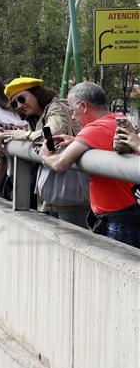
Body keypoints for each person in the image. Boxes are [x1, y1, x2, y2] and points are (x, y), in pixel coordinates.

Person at [43, 82, 140, 248]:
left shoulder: (93, 129)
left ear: (83, 106)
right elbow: (105, 143)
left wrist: (44, 156)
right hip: (128, 214)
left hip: (116, 223)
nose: (72, 117)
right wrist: (76, 141)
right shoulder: (119, 120)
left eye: (73, 110)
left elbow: (60, 164)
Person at [0, 77, 90, 227]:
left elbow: (53, 132)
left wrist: (26, 135)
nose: (20, 105)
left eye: (22, 98)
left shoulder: (57, 107)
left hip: (73, 188)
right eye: (15, 103)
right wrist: (3, 134)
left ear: (37, 93)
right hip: (58, 188)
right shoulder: (36, 116)